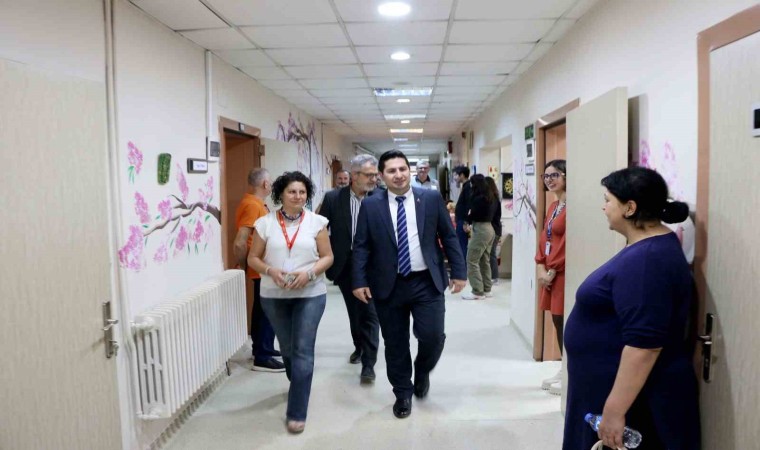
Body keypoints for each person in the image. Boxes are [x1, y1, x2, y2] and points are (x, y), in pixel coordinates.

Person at [563, 167, 699, 450]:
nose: (603, 207)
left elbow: (644, 345)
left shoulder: (648, 260)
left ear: (630, 208)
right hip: (607, 386)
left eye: (608, 200)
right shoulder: (649, 248)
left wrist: (614, 411)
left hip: (631, 399)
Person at [352, 150, 467, 420]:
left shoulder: (430, 198)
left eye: (402, 169)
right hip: (388, 284)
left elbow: (448, 236)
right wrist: (359, 280)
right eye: (391, 171)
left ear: (410, 170)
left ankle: (422, 369)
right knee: (395, 342)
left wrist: (459, 271)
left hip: (426, 281)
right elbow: (362, 245)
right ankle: (402, 392)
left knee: (433, 336)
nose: (399, 175)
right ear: (381, 176)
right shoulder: (371, 205)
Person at [247, 171, 334, 434]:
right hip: (274, 295)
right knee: (287, 349)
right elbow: (253, 258)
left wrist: (309, 274)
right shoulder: (265, 223)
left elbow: (328, 257)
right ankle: (298, 382)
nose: (298, 196)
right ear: (281, 194)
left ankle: (297, 411)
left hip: (310, 293)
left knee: (303, 349)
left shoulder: (317, 222)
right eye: (292, 192)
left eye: (302, 192)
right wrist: (270, 271)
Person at [318, 154, 380, 383]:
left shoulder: (382, 198)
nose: (374, 179)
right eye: (369, 175)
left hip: (373, 265)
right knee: (355, 312)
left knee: (370, 313)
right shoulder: (333, 198)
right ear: (354, 176)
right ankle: (359, 346)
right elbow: (320, 228)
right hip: (346, 265)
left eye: (375, 175)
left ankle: (369, 364)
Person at [233, 168, 286, 373]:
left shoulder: (257, 203)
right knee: (265, 312)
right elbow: (240, 241)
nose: (271, 185)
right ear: (265, 184)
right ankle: (262, 357)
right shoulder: (252, 205)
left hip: (264, 268)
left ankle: (264, 348)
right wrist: (244, 266)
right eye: (270, 182)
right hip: (260, 269)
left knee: (264, 311)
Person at [535, 160, 567, 392]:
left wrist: (552, 269)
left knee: (564, 320)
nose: (549, 180)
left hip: (561, 273)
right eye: (546, 176)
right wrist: (540, 266)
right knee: (556, 320)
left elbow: (567, 242)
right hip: (548, 272)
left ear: (566, 176)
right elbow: (544, 239)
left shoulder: (572, 207)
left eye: (555, 175)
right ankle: (564, 367)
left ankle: (570, 371)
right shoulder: (553, 206)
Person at [462, 174, 497, 300]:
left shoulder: (478, 198)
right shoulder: (491, 197)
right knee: (484, 260)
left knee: (471, 259)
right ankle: (487, 289)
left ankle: (477, 291)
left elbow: (473, 214)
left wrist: (466, 221)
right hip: (489, 229)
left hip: (481, 230)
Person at [485, 176, 503, 286]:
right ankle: (492, 276)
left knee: (491, 253)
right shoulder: (494, 198)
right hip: (495, 229)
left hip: (494, 229)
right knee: (490, 253)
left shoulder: (493, 200)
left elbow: (491, 216)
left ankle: (494, 277)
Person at [453, 165, 472, 257]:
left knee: (462, 245)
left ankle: (463, 265)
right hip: (461, 220)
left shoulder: (468, 187)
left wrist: (466, 222)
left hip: (463, 221)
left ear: (462, 175)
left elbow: (468, 205)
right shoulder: (465, 186)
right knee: (461, 244)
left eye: (456, 175)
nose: (454, 177)